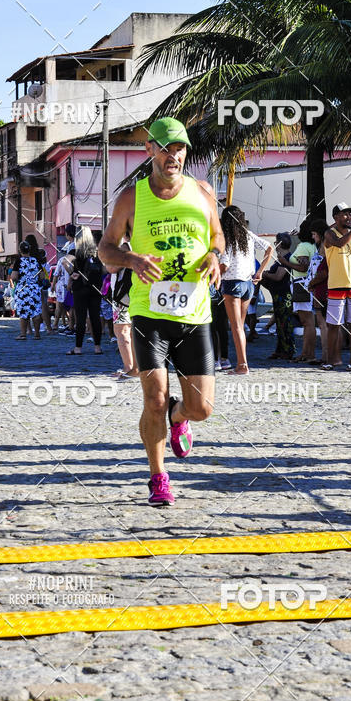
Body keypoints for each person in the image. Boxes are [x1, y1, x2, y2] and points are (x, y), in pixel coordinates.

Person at [98, 117, 224, 507]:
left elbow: (216, 233)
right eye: (166, 148)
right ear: (150, 151)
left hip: (195, 313)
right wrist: (131, 258)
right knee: (153, 398)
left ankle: (178, 417)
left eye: (181, 148)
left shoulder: (202, 192)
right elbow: (105, 250)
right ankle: (158, 478)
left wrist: (215, 256)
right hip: (149, 312)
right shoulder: (131, 199)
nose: (174, 155)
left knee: (201, 408)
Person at [219, 206, 272, 374]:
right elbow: (269, 248)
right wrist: (260, 271)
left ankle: (242, 365)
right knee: (240, 327)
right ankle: (242, 363)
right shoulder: (248, 235)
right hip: (249, 284)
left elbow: (224, 264)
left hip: (232, 283)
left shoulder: (225, 238)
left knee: (235, 327)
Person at [322, 202, 351, 371]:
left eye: (349, 214)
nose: (348, 217)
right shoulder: (329, 234)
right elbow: (339, 243)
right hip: (336, 285)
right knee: (334, 325)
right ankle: (330, 361)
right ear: (336, 217)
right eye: (344, 214)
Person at [277, 224, 316, 362]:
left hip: (301, 283)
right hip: (304, 283)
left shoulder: (303, 246)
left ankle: (307, 354)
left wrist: (285, 262)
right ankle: (307, 353)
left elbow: (303, 266)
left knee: (307, 322)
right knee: (308, 321)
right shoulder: (310, 246)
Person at [67, 225, 104, 355]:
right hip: (95, 288)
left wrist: (72, 273)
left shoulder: (75, 252)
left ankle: (78, 348)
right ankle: (97, 347)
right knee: (95, 317)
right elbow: (104, 269)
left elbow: (65, 262)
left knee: (81, 318)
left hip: (80, 288)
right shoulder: (97, 252)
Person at [260, 233, 295, 360]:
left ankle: (288, 350)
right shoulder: (283, 257)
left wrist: (265, 274)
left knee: (285, 324)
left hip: (283, 295)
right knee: (280, 324)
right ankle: (280, 349)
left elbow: (278, 276)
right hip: (278, 294)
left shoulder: (286, 259)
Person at [110, 235, 139, 380]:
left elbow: (112, 268)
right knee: (133, 330)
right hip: (138, 292)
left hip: (123, 294)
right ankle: (134, 367)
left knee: (122, 330)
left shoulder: (126, 247)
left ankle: (129, 367)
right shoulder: (143, 244)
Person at [306, 219, 330, 365]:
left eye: (314, 234)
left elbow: (323, 272)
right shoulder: (323, 246)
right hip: (319, 288)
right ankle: (327, 355)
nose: (313, 238)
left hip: (321, 289)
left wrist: (311, 283)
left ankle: (327, 356)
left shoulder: (324, 247)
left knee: (324, 325)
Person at [11, 240, 43, 339]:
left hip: (23, 288)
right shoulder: (35, 260)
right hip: (35, 288)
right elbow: (41, 276)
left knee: (23, 312)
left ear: (20, 250)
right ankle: (37, 334)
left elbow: (14, 276)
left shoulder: (19, 261)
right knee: (36, 311)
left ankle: (23, 334)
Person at [24, 234, 54, 334]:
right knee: (43, 305)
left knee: (27, 306)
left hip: (27, 283)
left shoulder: (25, 254)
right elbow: (41, 271)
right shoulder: (38, 254)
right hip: (38, 283)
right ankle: (49, 328)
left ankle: (28, 330)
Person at [210, 281, 231, 370]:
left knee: (214, 330)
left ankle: (217, 359)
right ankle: (223, 359)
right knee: (221, 329)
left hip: (213, 296)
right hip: (221, 294)